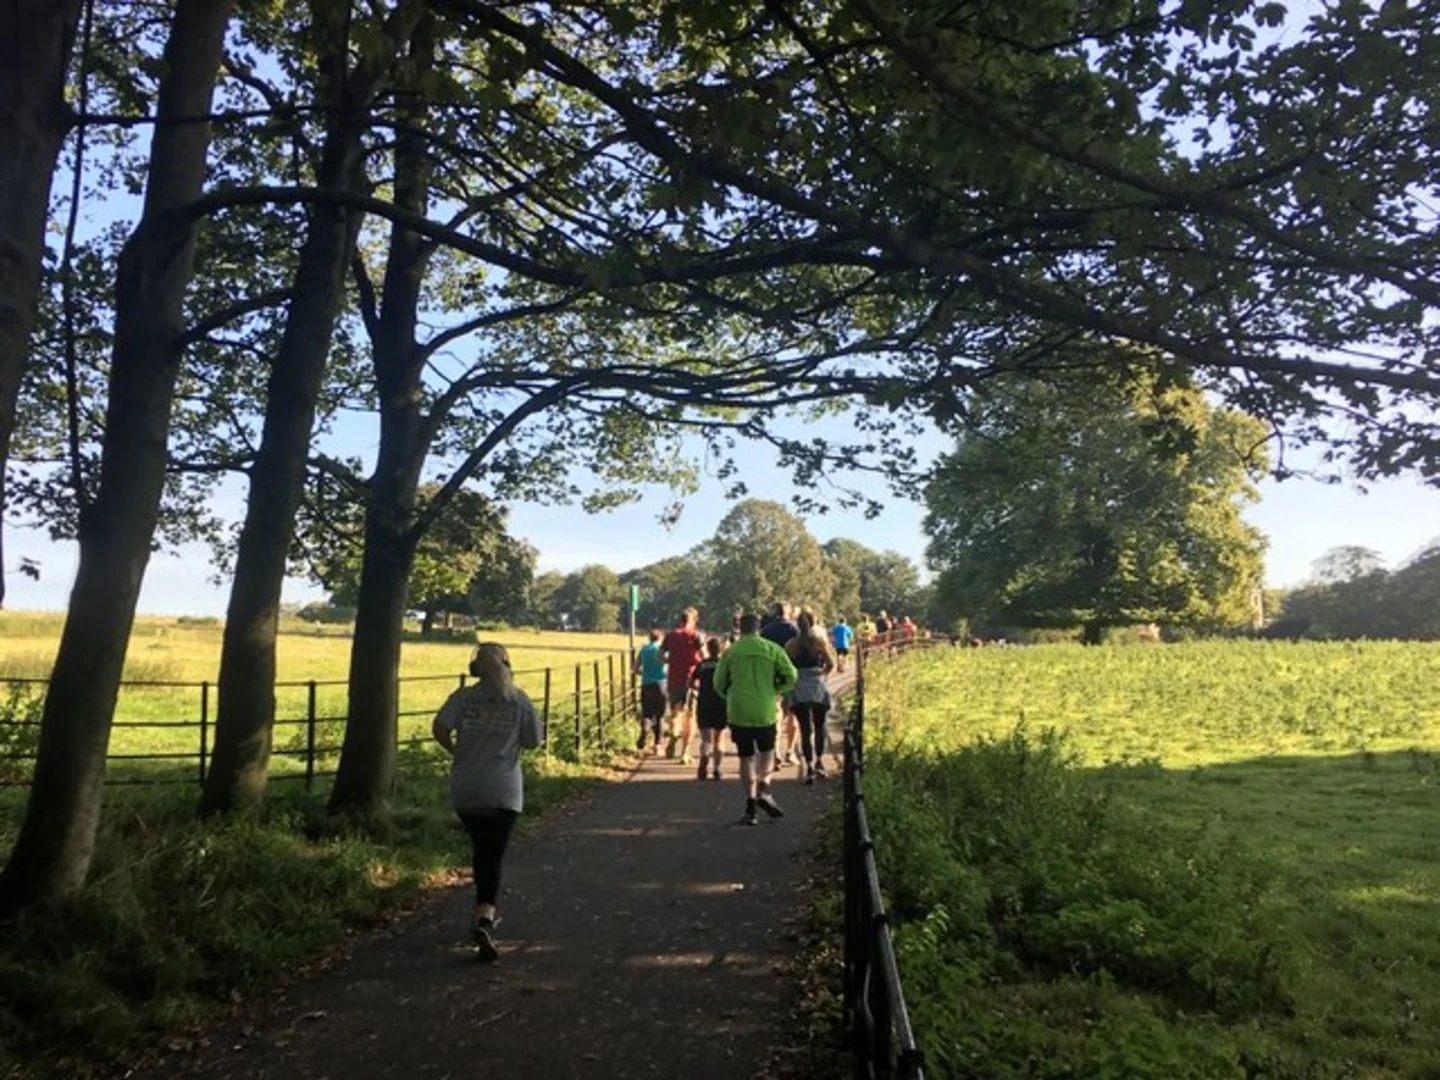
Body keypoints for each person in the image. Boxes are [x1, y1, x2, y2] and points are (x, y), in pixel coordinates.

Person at [432, 643, 544, 962]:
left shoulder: (463, 697)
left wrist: (457, 752)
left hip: (466, 784)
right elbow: (534, 741)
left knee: (483, 849)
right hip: (503, 788)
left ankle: (484, 913)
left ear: (475, 668)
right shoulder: (518, 700)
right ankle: (484, 917)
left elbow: (439, 727)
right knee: (492, 854)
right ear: (509, 665)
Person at [715, 613, 798, 826]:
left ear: (741, 630)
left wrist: (730, 696)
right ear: (758, 629)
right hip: (765, 707)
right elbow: (791, 675)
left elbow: (718, 683)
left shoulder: (731, 652)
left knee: (745, 757)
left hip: (739, 710)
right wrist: (777, 690)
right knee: (767, 752)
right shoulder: (772, 649)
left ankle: (750, 808)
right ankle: (764, 787)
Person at [787, 610, 836, 784]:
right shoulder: (819, 643)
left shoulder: (791, 645)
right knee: (820, 725)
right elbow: (831, 664)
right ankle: (820, 762)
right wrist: (823, 674)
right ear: (814, 623)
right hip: (816, 684)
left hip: (799, 686)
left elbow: (787, 668)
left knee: (805, 729)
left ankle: (808, 766)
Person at [759, 603, 801, 764]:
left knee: (775, 713)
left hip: (771, 675)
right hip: (791, 673)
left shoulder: (766, 631)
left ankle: (775, 750)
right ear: (788, 613)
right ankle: (790, 751)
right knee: (793, 714)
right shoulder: (795, 630)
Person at [663, 607, 705, 764]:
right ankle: (685, 752)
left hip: (674, 678)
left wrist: (672, 661)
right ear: (693, 621)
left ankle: (674, 732)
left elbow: (660, 656)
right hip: (692, 680)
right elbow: (704, 656)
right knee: (691, 716)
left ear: (680, 620)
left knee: (676, 711)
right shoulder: (696, 636)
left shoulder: (671, 636)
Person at [689, 636, 728, 781]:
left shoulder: (702, 665)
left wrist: (698, 689)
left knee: (706, 739)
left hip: (704, 702)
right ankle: (717, 769)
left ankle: (704, 756)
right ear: (721, 650)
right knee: (719, 738)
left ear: (708, 649)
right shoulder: (724, 665)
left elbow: (690, 682)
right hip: (721, 702)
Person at [634, 628, 667, 752]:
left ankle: (645, 730)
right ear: (660, 638)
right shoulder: (662, 649)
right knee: (660, 715)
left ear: (650, 638)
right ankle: (658, 744)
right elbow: (667, 663)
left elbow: (635, 669)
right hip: (660, 683)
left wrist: (646, 674)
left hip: (646, 684)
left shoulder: (644, 650)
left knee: (647, 713)